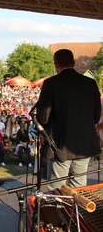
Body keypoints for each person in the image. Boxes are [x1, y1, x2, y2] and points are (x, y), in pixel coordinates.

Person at [36, 49, 101, 191]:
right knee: (79, 187)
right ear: (74, 63)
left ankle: (59, 212)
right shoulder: (90, 83)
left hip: (60, 145)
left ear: (55, 64)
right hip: (84, 144)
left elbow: (43, 117)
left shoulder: (51, 83)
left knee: (58, 188)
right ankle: (76, 212)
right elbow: (96, 116)